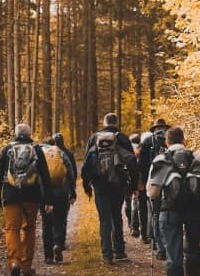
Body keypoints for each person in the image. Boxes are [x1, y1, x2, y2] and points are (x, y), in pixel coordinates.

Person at [146, 126, 200, 276]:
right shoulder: (197, 157)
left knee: (173, 256)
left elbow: (152, 192)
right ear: (184, 139)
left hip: (171, 213)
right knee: (193, 249)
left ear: (166, 142)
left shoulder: (161, 159)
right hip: (195, 213)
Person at [0, 123, 53, 276]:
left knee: (12, 229)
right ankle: (26, 266)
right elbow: (45, 176)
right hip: (32, 196)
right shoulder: (36, 149)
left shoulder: (7, 149)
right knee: (29, 228)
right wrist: (48, 200)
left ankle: (14, 263)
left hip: (11, 195)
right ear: (29, 133)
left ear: (16, 133)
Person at [81, 113, 138, 264]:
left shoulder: (94, 138)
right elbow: (132, 163)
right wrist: (133, 185)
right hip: (118, 184)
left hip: (100, 184)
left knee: (104, 219)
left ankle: (107, 255)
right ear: (117, 123)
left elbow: (86, 164)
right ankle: (119, 251)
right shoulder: (123, 138)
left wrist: (87, 185)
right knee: (117, 217)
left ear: (104, 122)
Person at [41, 133, 77, 264]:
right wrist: (72, 191)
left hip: (45, 193)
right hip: (61, 192)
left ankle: (48, 256)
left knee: (46, 223)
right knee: (60, 219)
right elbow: (71, 173)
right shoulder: (61, 153)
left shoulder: (39, 153)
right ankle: (57, 244)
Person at [139, 119, 171, 259]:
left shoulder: (147, 141)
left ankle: (160, 248)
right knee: (169, 213)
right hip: (171, 182)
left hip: (153, 182)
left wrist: (141, 182)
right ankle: (170, 244)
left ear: (154, 129)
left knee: (156, 214)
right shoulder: (170, 139)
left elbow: (141, 164)